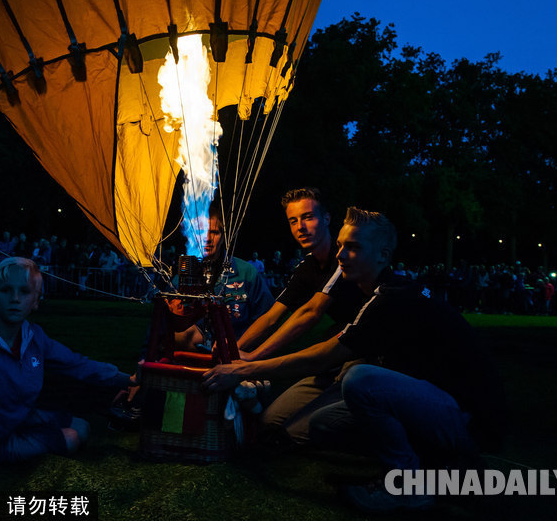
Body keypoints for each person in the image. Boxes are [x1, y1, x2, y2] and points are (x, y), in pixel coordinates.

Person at [203, 208, 505, 513]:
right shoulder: (375, 292)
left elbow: (322, 356)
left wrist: (246, 367)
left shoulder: (391, 298)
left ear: (383, 255)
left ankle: (410, 483)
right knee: (323, 424)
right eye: (341, 246)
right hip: (433, 402)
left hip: (464, 417)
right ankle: (432, 463)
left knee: (360, 379)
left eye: (354, 247)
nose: (342, 255)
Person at [0, 257, 133, 491]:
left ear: (36, 301)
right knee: (72, 438)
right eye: (6, 290)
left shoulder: (33, 337)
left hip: (14, 418)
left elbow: (76, 364)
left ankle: (29, 434)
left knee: (83, 428)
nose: (15, 299)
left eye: (24, 291)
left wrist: (127, 379)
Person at [235, 188, 365, 443]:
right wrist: (234, 349)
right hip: (336, 355)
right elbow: (273, 315)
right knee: (271, 421)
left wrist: (254, 358)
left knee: (298, 431)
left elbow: (311, 312)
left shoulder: (343, 258)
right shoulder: (306, 266)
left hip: (365, 356)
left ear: (327, 219)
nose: (300, 227)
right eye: (293, 221)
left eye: (308, 217)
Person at [169, 203, 274, 350]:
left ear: (224, 237)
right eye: (201, 232)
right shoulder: (181, 278)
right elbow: (164, 327)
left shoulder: (246, 273)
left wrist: (240, 347)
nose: (207, 238)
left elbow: (268, 320)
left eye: (214, 232)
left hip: (239, 359)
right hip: (195, 362)